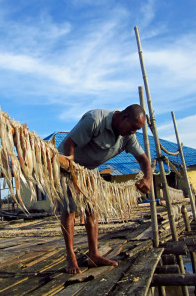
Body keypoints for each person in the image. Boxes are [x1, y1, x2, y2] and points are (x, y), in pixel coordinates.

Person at [57, 104, 153, 274]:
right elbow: (69, 144)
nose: (133, 133)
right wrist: (71, 173)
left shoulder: (128, 136)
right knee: (70, 208)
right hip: (68, 162)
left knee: (92, 209)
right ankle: (70, 255)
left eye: (136, 130)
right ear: (123, 117)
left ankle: (94, 254)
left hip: (90, 168)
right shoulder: (95, 120)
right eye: (132, 128)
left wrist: (147, 178)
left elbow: (144, 160)